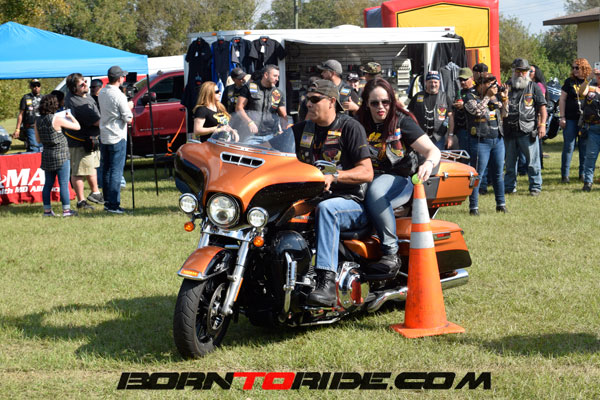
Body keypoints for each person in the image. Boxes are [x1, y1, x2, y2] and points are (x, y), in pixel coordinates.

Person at [292, 79, 373, 306]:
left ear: (331, 101)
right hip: (313, 197)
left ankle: (326, 282)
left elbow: (367, 172)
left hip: (350, 201)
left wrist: (334, 176)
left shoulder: (350, 127)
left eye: (315, 99)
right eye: (307, 99)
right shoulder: (302, 129)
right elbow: (271, 147)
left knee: (327, 209)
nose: (308, 104)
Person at [356, 77, 440, 274]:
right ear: (366, 104)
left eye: (385, 102)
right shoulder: (357, 123)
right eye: (375, 103)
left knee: (375, 192)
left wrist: (428, 163)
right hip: (364, 176)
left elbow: (433, 150)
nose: (381, 107)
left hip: (398, 178)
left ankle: (390, 253)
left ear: (392, 101)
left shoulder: (402, 122)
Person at [463, 72, 508, 215]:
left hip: (497, 139)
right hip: (480, 140)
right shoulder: (470, 96)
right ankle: (473, 207)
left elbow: (505, 114)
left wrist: (505, 99)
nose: (493, 88)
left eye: (494, 84)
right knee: (478, 174)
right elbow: (477, 112)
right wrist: (487, 97)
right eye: (490, 84)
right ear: (481, 84)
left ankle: (501, 204)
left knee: (498, 174)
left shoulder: (495, 96)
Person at [503, 58, 547, 196]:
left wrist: (542, 125)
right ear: (513, 71)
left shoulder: (534, 87)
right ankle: (509, 187)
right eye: (518, 71)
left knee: (532, 162)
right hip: (509, 130)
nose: (520, 74)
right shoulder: (506, 86)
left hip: (527, 130)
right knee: (510, 163)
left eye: (523, 71)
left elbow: (542, 108)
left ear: (528, 72)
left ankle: (535, 187)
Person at [34, 94, 81, 217]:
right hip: (61, 154)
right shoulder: (57, 119)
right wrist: (70, 116)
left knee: (48, 184)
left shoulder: (37, 121)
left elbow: (38, 140)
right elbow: (77, 127)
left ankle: (47, 211)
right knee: (63, 183)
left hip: (47, 154)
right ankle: (66, 210)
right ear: (54, 105)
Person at [64, 73, 104, 210]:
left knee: (90, 167)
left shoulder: (85, 96)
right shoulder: (76, 102)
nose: (86, 85)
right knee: (78, 172)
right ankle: (81, 201)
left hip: (90, 140)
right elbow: (97, 122)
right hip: (79, 142)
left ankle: (95, 193)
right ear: (74, 88)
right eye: (81, 84)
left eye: (85, 81)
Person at [98, 66, 133, 214]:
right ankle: (113, 204)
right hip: (117, 135)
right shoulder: (119, 95)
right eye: (122, 77)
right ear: (119, 79)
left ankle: (107, 202)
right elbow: (128, 118)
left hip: (105, 135)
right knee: (116, 171)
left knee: (106, 169)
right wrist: (130, 106)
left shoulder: (102, 92)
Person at [559, 58, 592, 183]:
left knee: (584, 146)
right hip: (570, 119)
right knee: (569, 146)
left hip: (585, 119)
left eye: (577, 68)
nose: (574, 70)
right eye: (573, 68)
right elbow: (562, 99)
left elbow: (588, 94)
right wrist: (562, 117)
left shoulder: (589, 82)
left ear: (584, 68)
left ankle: (582, 173)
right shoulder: (569, 82)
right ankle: (565, 175)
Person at [236, 64, 287, 141]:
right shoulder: (249, 87)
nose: (277, 79)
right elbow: (239, 108)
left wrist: (284, 131)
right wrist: (249, 122)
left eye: (278, 76)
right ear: (266, 75)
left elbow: (283, 115)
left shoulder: (278, 93)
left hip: (272, 135)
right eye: (275, 76)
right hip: (252, 136)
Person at [408, 71, 454, 150]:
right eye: (430, 82)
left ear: (439, 83)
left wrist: (450, 136)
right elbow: (409, 115)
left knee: (438, 157)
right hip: (420, 137)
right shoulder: (418, 96)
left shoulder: (445, 97)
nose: (433, 84)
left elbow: (451, 117)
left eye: (435, 82)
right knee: (420, 157)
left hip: (438, 138)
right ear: (426, 82)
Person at [581, 73, 600, 192]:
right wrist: (588, 78)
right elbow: (581, 92)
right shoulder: (591, 87)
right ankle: (588, 182)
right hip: (593, 127)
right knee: (591, 156)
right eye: (598, 75)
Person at [452, 67, 476, 157]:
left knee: (475, 156)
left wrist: (464, 106)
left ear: (472, 78)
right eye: (460, 80)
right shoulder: (460, 92)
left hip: (473, 130)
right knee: (464, 156)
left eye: (465, 79)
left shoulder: (476, 92)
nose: (462, 82)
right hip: (461, 130)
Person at [14, 79, 43, 152]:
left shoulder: (44, 98)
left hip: (42, 127)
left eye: (38, 85)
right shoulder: (26, 97)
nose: (36, 87)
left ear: (40, 87)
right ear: (30, 87)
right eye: (34, 85)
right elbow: (21, 114)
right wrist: (17, 129)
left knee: (41, 148)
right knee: (34, 148)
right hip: (30, 127)